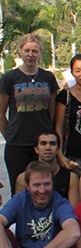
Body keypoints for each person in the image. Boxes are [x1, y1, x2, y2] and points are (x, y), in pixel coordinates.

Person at [0, 33, 59, 194]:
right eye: (27, 50)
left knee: (44, 188)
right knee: (19, 190)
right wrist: (9, 135)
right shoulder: (9, 78)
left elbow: (52, 112)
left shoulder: (48, 78)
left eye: (35, 51)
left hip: (42, 144)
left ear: (40, 53)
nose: (30, 55)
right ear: (20, 51)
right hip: (17, 144)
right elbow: (1, 112)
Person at [14, 131, 79, 206]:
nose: (48, 147)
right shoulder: (23, 178)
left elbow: (73, 211)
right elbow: (18, 210)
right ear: (36, 149)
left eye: (52, 144)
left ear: (58, 149)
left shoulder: (71, 178)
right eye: (43, 143)